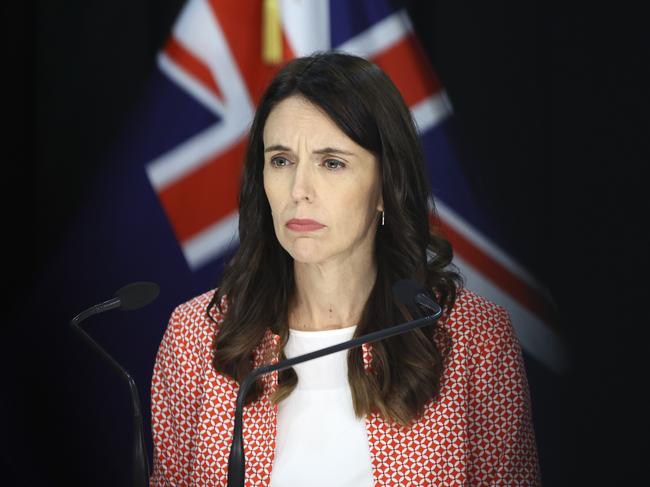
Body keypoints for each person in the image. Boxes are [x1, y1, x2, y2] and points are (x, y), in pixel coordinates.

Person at [149, 52, 541, 486]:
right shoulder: (196, 339)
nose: (299, 190)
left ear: (384, 188)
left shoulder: (474, 338)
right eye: (281, 160)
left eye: (331, 163)